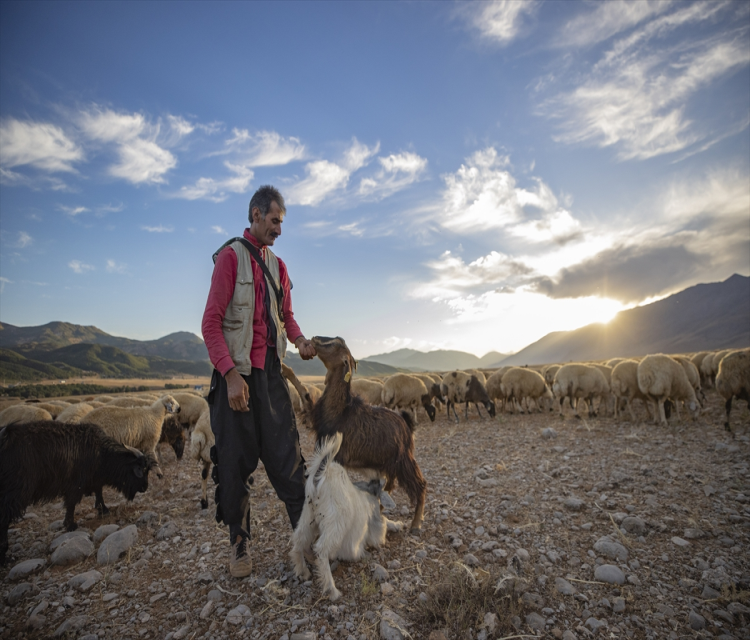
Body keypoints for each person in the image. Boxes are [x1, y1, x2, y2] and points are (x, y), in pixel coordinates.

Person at [201, 185, 316, 578]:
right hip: (237, 377)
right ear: (255, 215)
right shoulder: (231, 258)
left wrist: (299, 339)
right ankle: (238, 545)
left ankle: (306, 540)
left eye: (281, 222)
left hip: (270, 375)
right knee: (234, 464)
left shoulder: (278, 266)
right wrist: (230, 375)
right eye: (274, 221)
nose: (279, 229)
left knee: (288, 459)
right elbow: (210, 323)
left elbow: (286, 315)